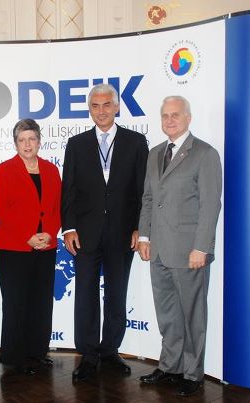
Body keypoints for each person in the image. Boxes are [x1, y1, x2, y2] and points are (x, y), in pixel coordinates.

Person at [61, 83, 148, 381]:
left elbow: (142, 191)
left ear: (116, 107)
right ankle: (87, 354)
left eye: (106, 105)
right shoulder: (76, 144)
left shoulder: (136, 142)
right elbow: (68, 190)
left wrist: (140, 227)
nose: (101, 111)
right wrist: (69, 228)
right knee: (84, 293)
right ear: (90, 109)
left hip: (124, 232)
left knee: (116, 292)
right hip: (85, 233)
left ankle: (110, 350)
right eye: (95, 106)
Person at [138, 96, 222, 397]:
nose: (169, 120)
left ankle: (192, 372)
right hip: (158, 249)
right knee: (167, 313)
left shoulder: (205, 154)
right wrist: (145, 237)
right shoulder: (155, 153)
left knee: (192, 314)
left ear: (188, 117)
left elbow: (211, 205)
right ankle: (170, 365)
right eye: (165, 116)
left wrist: (202, 247)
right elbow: (148, 199)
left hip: (189, 252)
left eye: (175, 115)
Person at [0, 119, 61, 374]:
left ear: (39, 141)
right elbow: (2, 209)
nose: (27, 144)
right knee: (16, 302)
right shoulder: (5, 170)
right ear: (15, 143)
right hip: (15, 249)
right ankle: (15, 356)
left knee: (41, 302)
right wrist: (27, 236)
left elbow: (56, 207)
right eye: (22, 140)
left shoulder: (51, 170)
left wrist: (49, 234)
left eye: (32, 139)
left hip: (45, 246)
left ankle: (37, 352)